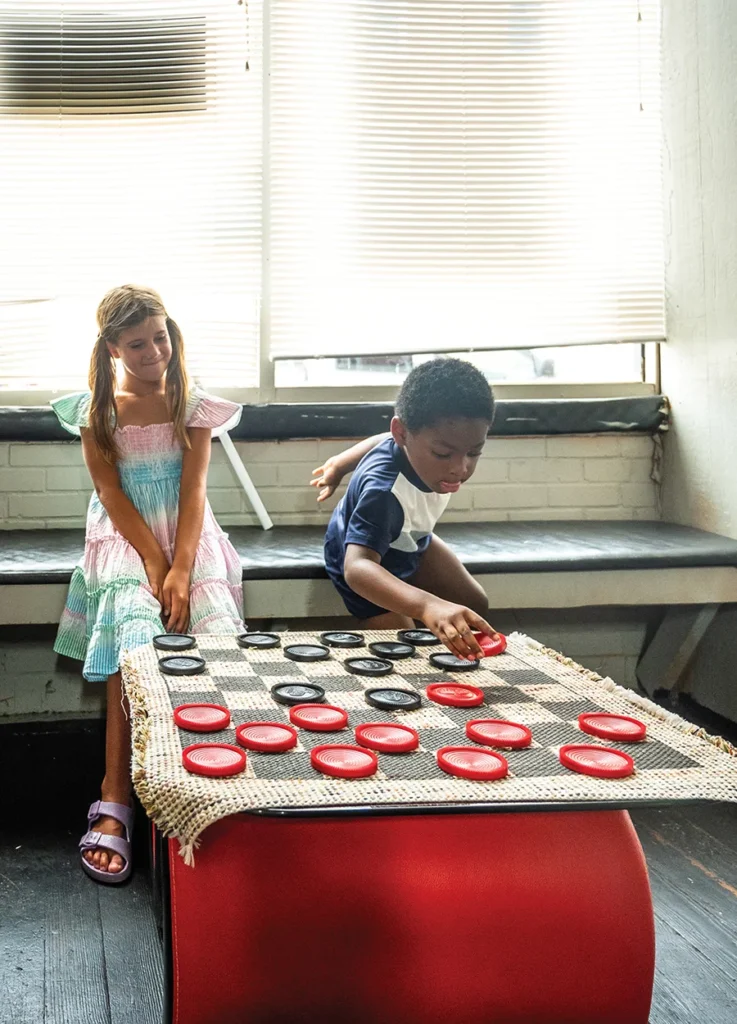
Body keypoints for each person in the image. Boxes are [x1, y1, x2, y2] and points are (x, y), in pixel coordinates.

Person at [51, 285, 245, 884]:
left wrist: (181, 566)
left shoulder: (192, 402)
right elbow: (111, 493)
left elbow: (194, 491)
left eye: (160, 337)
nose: (153, 351)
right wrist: (154, 566)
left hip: (187, 534)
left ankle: (206, 780)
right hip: (125, 534)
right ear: (112, 347)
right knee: (135, 636)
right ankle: (116, 798)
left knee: (209, 629)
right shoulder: (96, 411)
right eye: (137, 344)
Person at [312, 358, 500, 660]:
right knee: (405, 649)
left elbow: (380, 439)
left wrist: (339, 465)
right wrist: (426, 605)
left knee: (475, 605)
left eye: (474, 452)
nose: (460, 468)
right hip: (362, 556)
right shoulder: (383, 493)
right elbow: (357, 568)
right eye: (443, 453)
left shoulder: (411, 442)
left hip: (409, 537)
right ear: (404, 434)